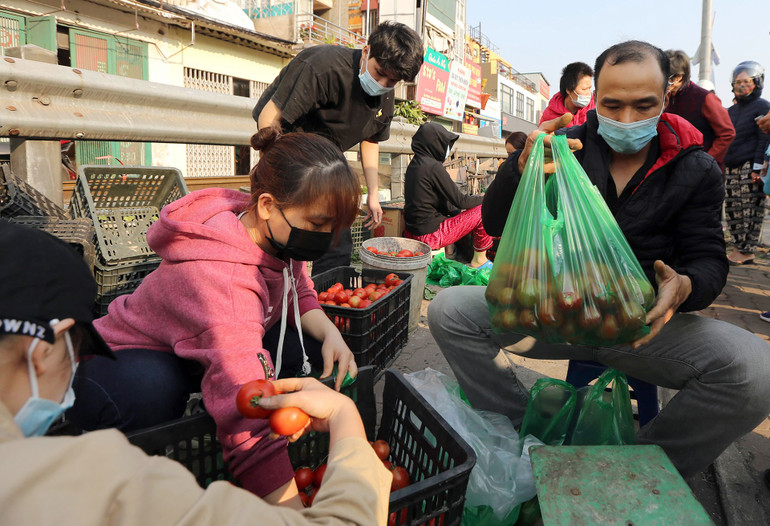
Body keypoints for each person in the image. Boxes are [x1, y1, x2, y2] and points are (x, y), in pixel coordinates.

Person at [428, 40, 770, 480]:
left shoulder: (695, 169)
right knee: (449, 310)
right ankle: (525, 436)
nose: (626, 119)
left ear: (666, 97)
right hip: (549, 312)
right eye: (612, 104)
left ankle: (641, 469)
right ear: (595, 101)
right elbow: (493, 222)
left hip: (638, 327)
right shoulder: (563, 149)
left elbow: (708, 260)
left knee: (753, 372)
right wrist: (519, 166)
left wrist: (685, 286)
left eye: (643, 105)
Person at [0, 222, 392, 525]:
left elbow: (300, 287)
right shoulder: (100, 479)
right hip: (140, 367)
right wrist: (345, 418)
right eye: (77, 352)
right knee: (147, 386)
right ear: (44, 351)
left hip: (172, 355)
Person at [67, 130, 362, 506]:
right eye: (319, 224)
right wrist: (291, 511)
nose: (325, 237)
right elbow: (248, 408)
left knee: (307, 347)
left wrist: (331, 334)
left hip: (194, 344)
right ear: (268, 205)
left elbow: (298, 286)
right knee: (155, 390)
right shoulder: (224, 281)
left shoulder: (274, 229)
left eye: (332, 227)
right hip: (118, 361)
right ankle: (109, 481)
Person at [253, 21, 424, 276]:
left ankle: (325, 301)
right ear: (366, 51)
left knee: (336, 240)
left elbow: (371, 139)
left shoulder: (385, 90)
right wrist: (273, 176)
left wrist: (374, 194)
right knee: (281, 238)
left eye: (393, 80)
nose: (383, 83)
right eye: (379, 73)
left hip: (328, 161)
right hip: (288, 153)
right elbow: (269, 117)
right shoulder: (322, 67)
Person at [403, 122, 493, 269]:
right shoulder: (433, 166)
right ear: (435, 143)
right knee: (483, 210)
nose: (447, 150)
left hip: (413, 233)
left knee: (453, 210)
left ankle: (451, 252)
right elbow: (461, 201)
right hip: (430, 236)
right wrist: (488, 197)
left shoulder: (415, 164)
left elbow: (445, 202)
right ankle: (480, 260)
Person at [723, 61, 770, 265]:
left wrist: (758, 167)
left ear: (757, 82)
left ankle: (747, 251)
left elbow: (764, 139)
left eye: (747, 81)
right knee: (734, 209)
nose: (741, 86)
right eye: (738, 82)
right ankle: (737, 249)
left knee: (750, 209)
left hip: (750, 167)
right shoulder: (731, 111)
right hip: (731, 167)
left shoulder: (763, 107)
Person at [665, 50, 735, 169]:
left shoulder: (704, 98)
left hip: (702, 171)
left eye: (666, 77)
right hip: (672, 168)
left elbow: (727, 133)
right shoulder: (664, 98)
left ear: (679, 77)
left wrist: (706, 161)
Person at [539, 61, 595, 128]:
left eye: (589, 88)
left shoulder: (596, 110)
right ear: (568, 89)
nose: (589, 93)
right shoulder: (549, 115)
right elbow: (540, 136)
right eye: (584, 89)